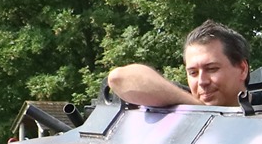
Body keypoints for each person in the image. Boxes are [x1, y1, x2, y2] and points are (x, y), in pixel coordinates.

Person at [107, 22, 252, 109]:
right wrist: (199, 109)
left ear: (242, 69)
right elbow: (118, 78)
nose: (202, 81)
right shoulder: (181, 98)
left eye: (212, 69)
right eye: (193, 73)